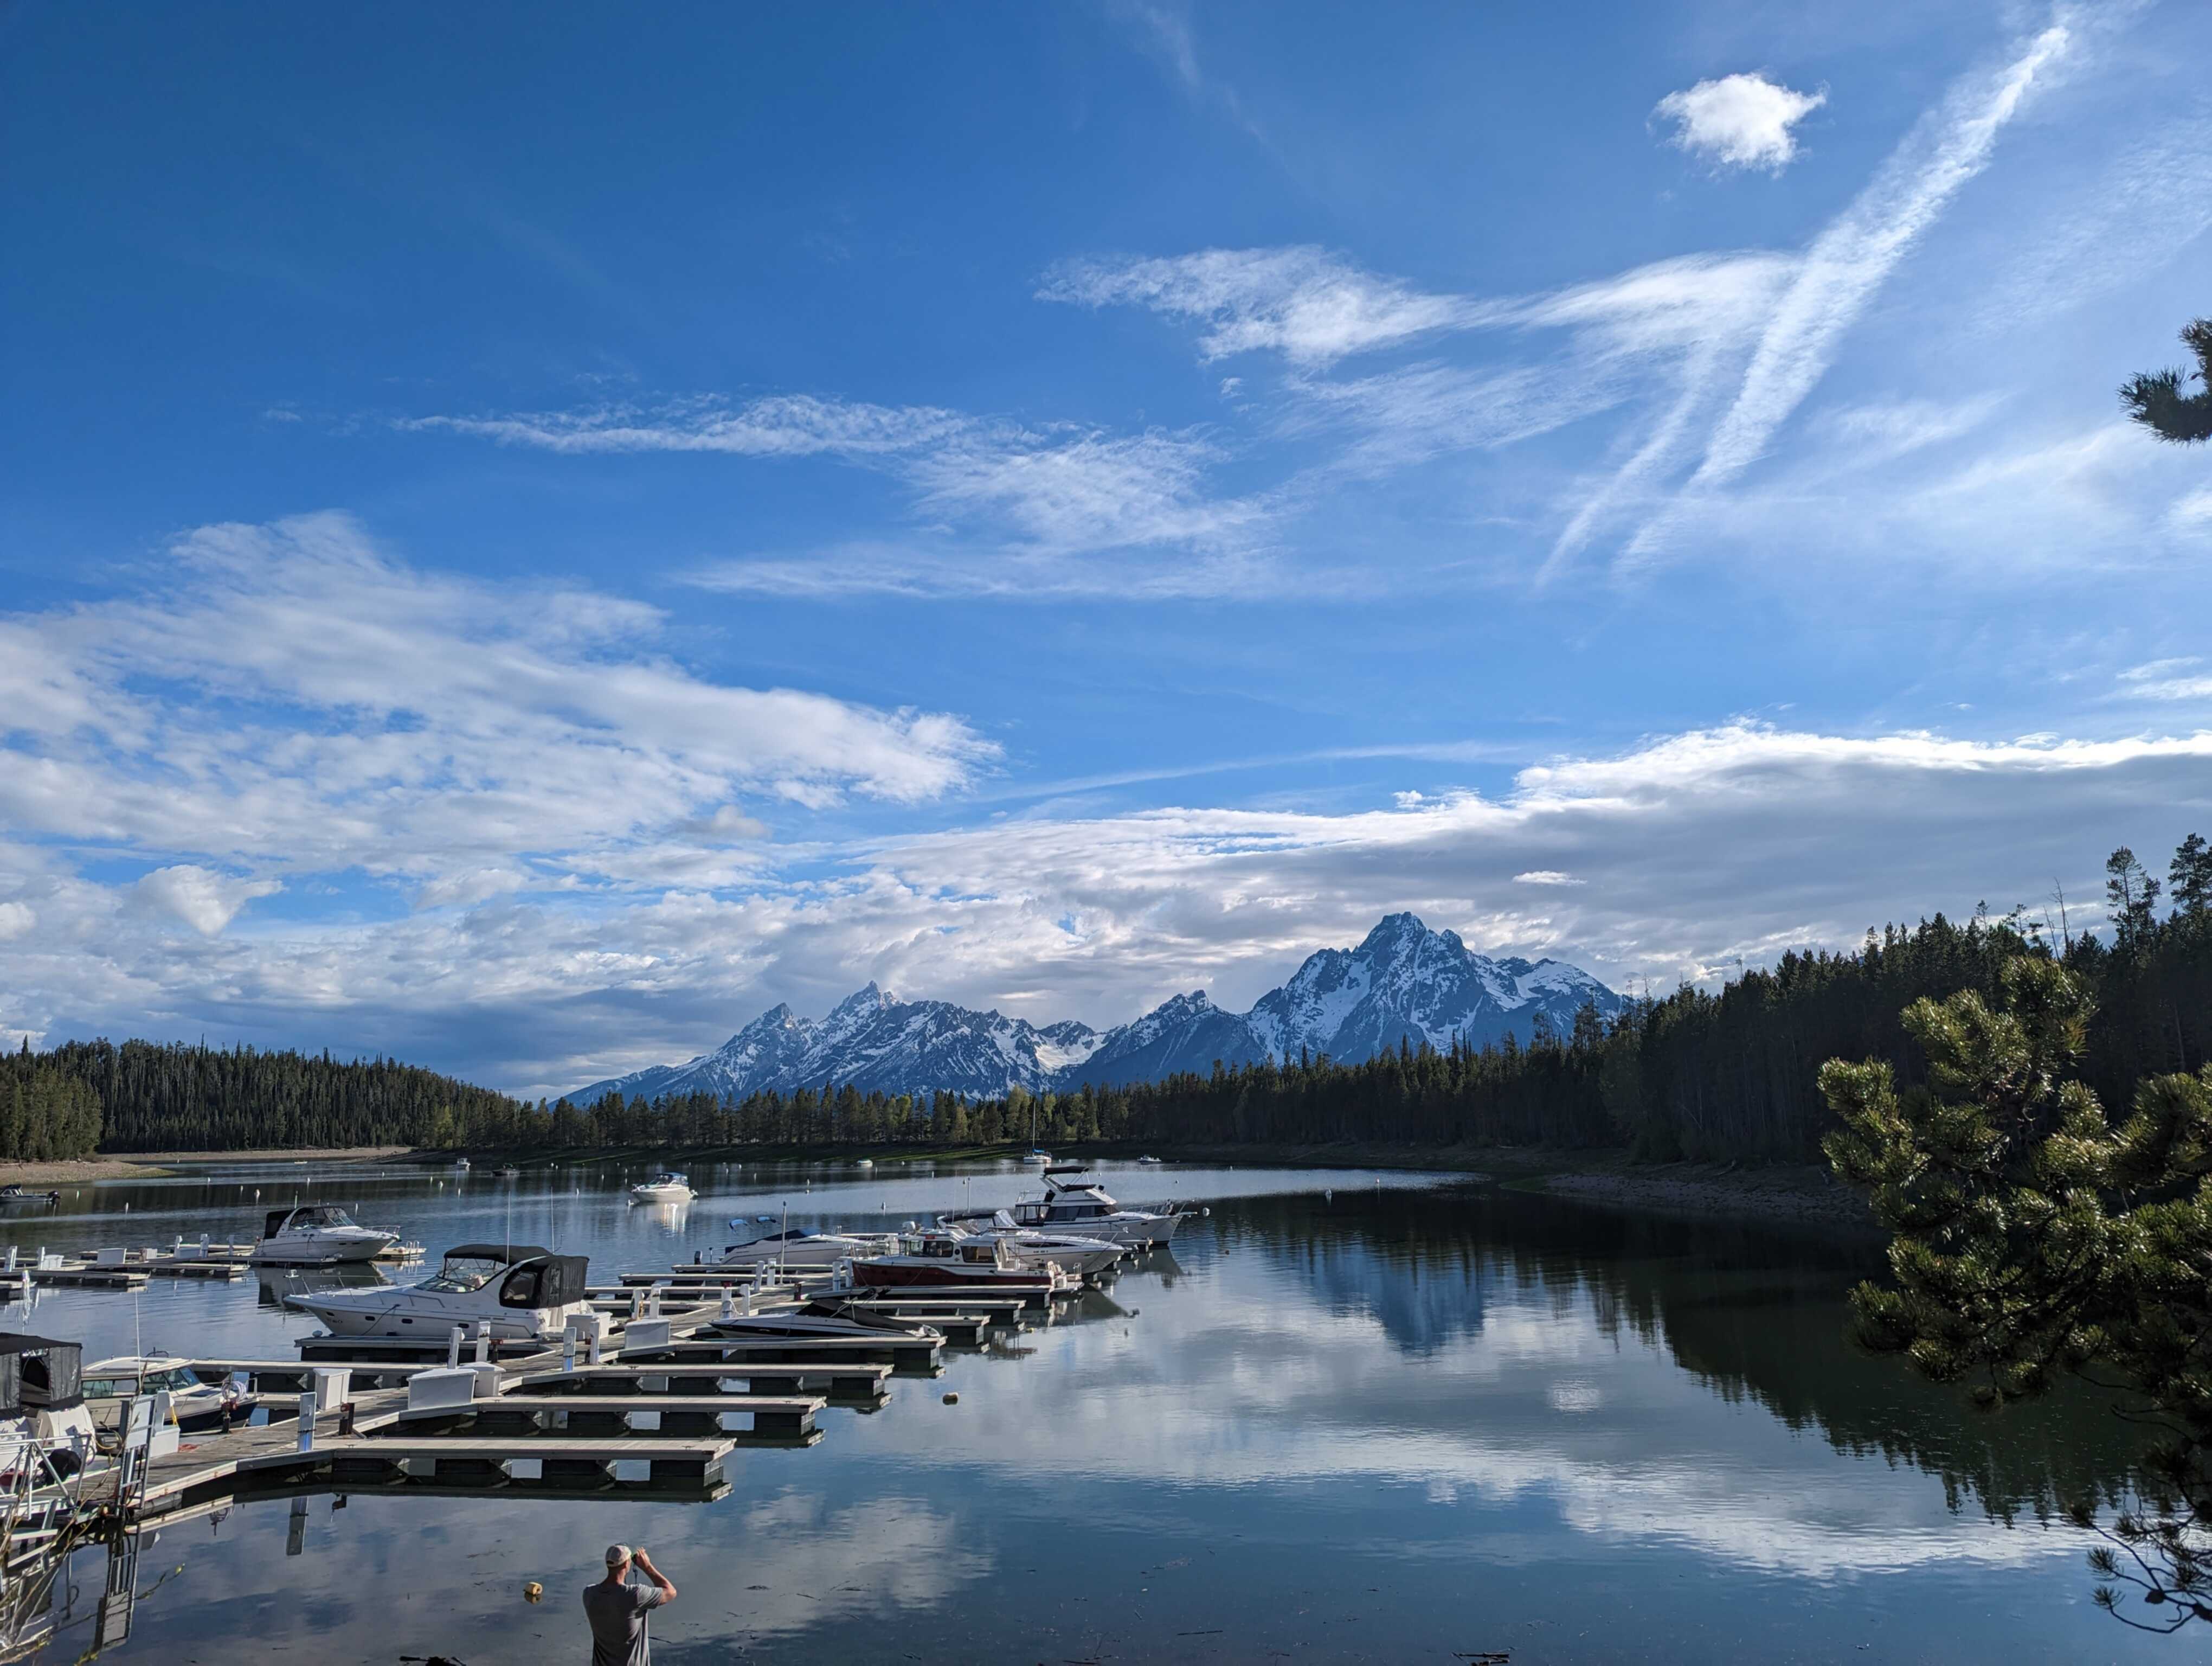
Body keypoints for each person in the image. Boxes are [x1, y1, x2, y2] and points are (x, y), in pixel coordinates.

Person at [581, 1543, 677, 1665]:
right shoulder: (636, 1595)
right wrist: (647, 1567)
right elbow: (671, 1592)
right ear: (627, 1564)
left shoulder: (589, 1594)